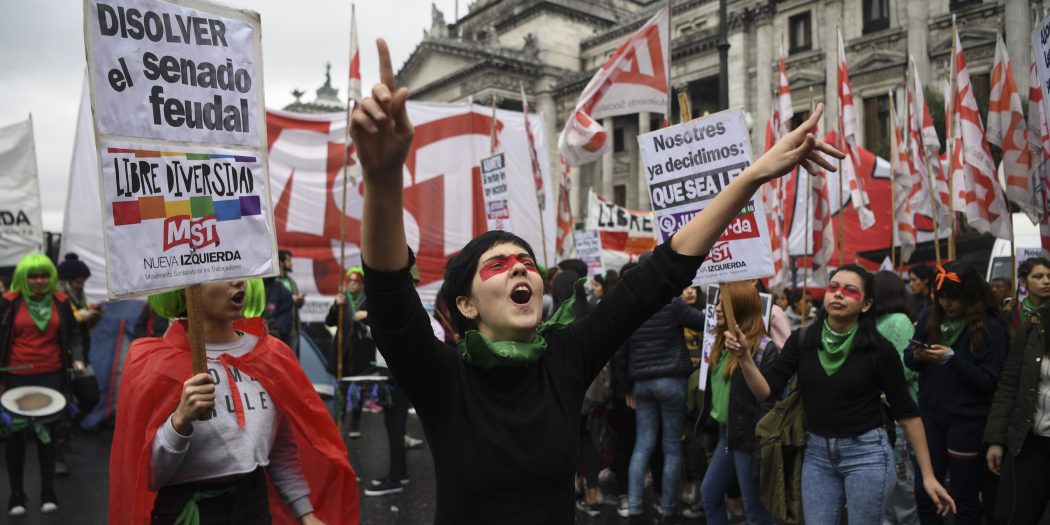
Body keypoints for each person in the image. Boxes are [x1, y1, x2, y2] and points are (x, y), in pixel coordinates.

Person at [349, 37, 845, 524]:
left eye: (526, 262)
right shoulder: (441, 378)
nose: (520, 268)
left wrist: (753, 175)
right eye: (498, 265)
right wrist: (383, 178)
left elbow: (660, 274)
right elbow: (390, 297)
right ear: (467, 304)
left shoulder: (564, 360)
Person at [108, 279, 357, 524]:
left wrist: (306, 513)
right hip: (189, 511)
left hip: (254, 507)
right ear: (186, 288)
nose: (238, 281)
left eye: (239, 271)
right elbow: (147, 476)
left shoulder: (272, 355)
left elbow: (280, 448)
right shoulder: (154, 363)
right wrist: (179, 421)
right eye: (220, 274)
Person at [730, 264, 955, 524]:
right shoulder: (801, 341)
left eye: (850, 291)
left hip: (867, 456)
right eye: (833, 287)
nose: (838, 294)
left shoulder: (879, 350)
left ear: (866, 304)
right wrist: (744, 358)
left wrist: (928, 476)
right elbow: (765, 390)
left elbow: (907, 413)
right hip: (816, 455)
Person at [905, 262, 1006, 525]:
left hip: (968, 423)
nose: (946, 303)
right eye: (942, 297)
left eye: (954, 297)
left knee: (964, 497)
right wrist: (918, 355)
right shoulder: (929, 317)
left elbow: (988, 381)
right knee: (925, 494)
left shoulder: (991, 327)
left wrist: (951, 359)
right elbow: (909, 360)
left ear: (971, 296)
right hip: (931, 417)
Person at [623, 250, 705, 522]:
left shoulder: (631, 306)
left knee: (642, 445)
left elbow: (622, 349)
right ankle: (668, 510)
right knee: (671, 447)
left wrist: (627, 386)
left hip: (641, 382)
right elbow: (702, 322)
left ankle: (635, 508)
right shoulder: (671, 302)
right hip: (671, 380)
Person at [1, 254, 82, 516]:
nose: (38, 281)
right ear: (23, 278)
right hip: (15, 377)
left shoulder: (61, 301)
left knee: (47, 437)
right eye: (33, 276)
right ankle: (16, 494)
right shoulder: (8, 302)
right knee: (15, 437)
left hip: (52, 376)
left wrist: (78, 358)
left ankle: (48, 492)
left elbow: (75, 334)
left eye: (44, 275)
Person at [699, 281, 777, 525]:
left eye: (724, 303)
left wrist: (760, 445)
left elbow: (769, 399)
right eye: (717, 302)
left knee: (755, 512)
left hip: (749, 439)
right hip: (727, 434)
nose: (717, 308)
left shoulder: (762, 349)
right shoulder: (720, 342)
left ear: (741, 307)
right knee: (709, 494)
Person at [985, 256, 1050, 524]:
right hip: (1029, 440)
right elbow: (1010, 384)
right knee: (1012, 515)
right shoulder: (1032, 325)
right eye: (1038, 276)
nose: (1046, 281)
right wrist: (996, 440)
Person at [873, 270, 921, 525]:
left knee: (898, 477)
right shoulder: (874, 321)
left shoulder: (898, 321)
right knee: (892, 477)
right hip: (884, 412)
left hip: (894, 411)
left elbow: (906, 368)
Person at [326, 267, 375, 438]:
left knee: (358, 388)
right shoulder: (342, 299)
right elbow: (330, 322)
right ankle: (338, 423)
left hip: (361, 353)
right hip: (343, 351)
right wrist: (335, 306)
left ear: (362, 284)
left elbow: (380, 321)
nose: (352, 284)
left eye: (356, 281)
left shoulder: (369, 300)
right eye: (350, 281)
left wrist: (368, 314)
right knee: (341, 388)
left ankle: (355, 424)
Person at [277, 250, 305, 355]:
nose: (291, 264)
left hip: (292, 330)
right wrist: (290, 299)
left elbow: (297, 305)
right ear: (281, 263)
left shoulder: (291, 282)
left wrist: (299, 300)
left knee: (292, 360)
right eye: (288, 261)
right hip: (278, 330)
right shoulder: (272, 282)